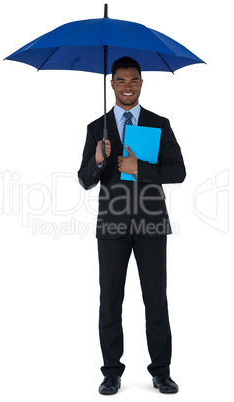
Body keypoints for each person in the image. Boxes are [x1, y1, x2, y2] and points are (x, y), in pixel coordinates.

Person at [78, 56, 186, 395]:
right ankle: (111, 372)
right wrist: (98, 160)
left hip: (151, 223)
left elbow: (178, 171)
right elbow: (85, 180)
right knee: (110, 299)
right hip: (112, 226)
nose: (128, 86)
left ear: (142, 83)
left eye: (134, 80)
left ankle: (161, 371)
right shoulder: (98, 128)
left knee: (156, 298)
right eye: (121, 80)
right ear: (111, 84)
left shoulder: (159, 124)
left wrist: (140, 168)